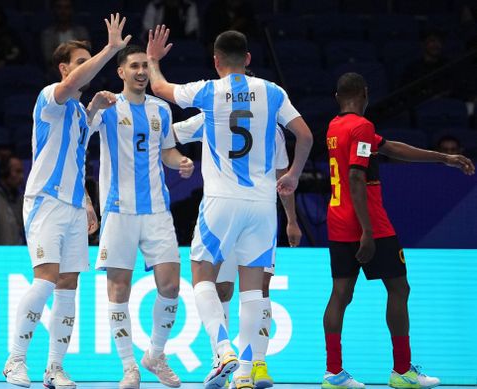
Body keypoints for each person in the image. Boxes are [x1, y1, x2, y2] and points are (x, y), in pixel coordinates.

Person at [147, 26, 313, 389]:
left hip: (222, 201)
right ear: (249, 59)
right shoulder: (273, 93)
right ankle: (246, 371)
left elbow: (160, 90)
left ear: (216, 61)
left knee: (202, 275)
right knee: (254, 290)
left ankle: (223, 350)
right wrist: (296, 175)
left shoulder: (209, 91)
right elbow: (306, 134)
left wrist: (155, 61)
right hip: (262, 204)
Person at [2, 13, 131, 389]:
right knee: (44, 281)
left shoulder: (76, 111)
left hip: (74, 207)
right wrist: (110, 49)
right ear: (63, 68)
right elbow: (75, 83)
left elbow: (77, 156)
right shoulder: (50, 97)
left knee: (68, 286)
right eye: (79, 62)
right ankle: (15, 361)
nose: (84, 69)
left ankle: (54, 368)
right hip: (45, 202)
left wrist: (88, 203)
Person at [322, 72, 474, 389]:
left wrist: (443, 158)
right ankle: (402, 371)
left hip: (337, 222)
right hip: (371, 224)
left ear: (338, 97)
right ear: (365, 94)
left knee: (340, 294)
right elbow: (355, 178)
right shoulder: (362, 127)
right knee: (399, 289)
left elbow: (391, 148)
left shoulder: (335, 127)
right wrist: (366, 230)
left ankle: (333, 372)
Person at [90, 44, 195, 389]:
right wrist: (92, 107)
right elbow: (78, 135)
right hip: (119, 210)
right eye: (133, 66)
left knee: (170, 285)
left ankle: (155, 354)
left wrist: (179, 160)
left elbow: (165, 151)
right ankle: (128, 367)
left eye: (144, 66)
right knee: (118, 289)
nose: (140, 72)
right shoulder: (108, 106)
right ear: (121, 72)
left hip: (156, 210)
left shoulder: (161, 110)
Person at [173, 113, 302, 389]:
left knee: (255, 287)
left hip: (239, 214)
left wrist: (291, 219)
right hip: (246, 214)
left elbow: (283, 178)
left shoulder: (269, 128)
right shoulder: (216, 113)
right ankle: (227, 362)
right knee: (227, 288)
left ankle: (253, 363)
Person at [41, 0, 90, 68]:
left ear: (71, 10)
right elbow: (49, 58)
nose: (63, 11)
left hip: (80, 69)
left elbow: (86, 56)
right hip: (55, 70)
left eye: (67, 7)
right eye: (59, 7)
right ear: (54, 10)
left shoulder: (81, 31)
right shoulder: (48, 34)